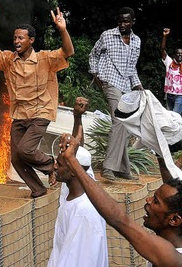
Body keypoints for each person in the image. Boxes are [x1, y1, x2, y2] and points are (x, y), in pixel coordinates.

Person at [0, 4, 74, 198]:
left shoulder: (45, 59)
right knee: (16, 158)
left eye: (21, 38)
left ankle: (51, 166)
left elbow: (67, 51)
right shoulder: (7, 59)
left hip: (40, 112)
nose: (16, 41)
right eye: (15, 38)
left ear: (31, 40)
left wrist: (62, 29)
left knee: (25, 150)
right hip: (19, 115)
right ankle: (38, 189)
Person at [59, 131, 182, 267]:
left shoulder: (171, 258)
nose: (148, 200)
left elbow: (119, 219)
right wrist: (159, 146)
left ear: (174, 220)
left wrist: (73, 162)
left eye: (156, 202)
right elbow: (172, 190)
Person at [48, 97, 108, 267]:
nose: (54, 166)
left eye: (59, 164)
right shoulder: (74, 187)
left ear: (74, 170)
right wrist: (77, 118)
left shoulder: (84, 213)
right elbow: (77, 151)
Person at [89, 6, 143, 181]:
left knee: (125, 125)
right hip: (110, 81)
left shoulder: (136, 41)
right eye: (120, 21)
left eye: (126, 21)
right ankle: (109, 168)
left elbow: (131, 69)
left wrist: (139, 86)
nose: (122, 24)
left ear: (132, 22)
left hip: (126, 86)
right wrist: (96, 74)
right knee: (119, 120)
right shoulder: (107, 36)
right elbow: (93, 55)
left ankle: (123, 168)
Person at [161, 28, 182, 114]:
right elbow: (162, 50)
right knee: (169, 117)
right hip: (169, 94)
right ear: (174, 55)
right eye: (178, 53)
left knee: (175, 116)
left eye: (181, 54)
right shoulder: (169, 62)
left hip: (180, 96)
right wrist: (164, 37)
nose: (180, 55)